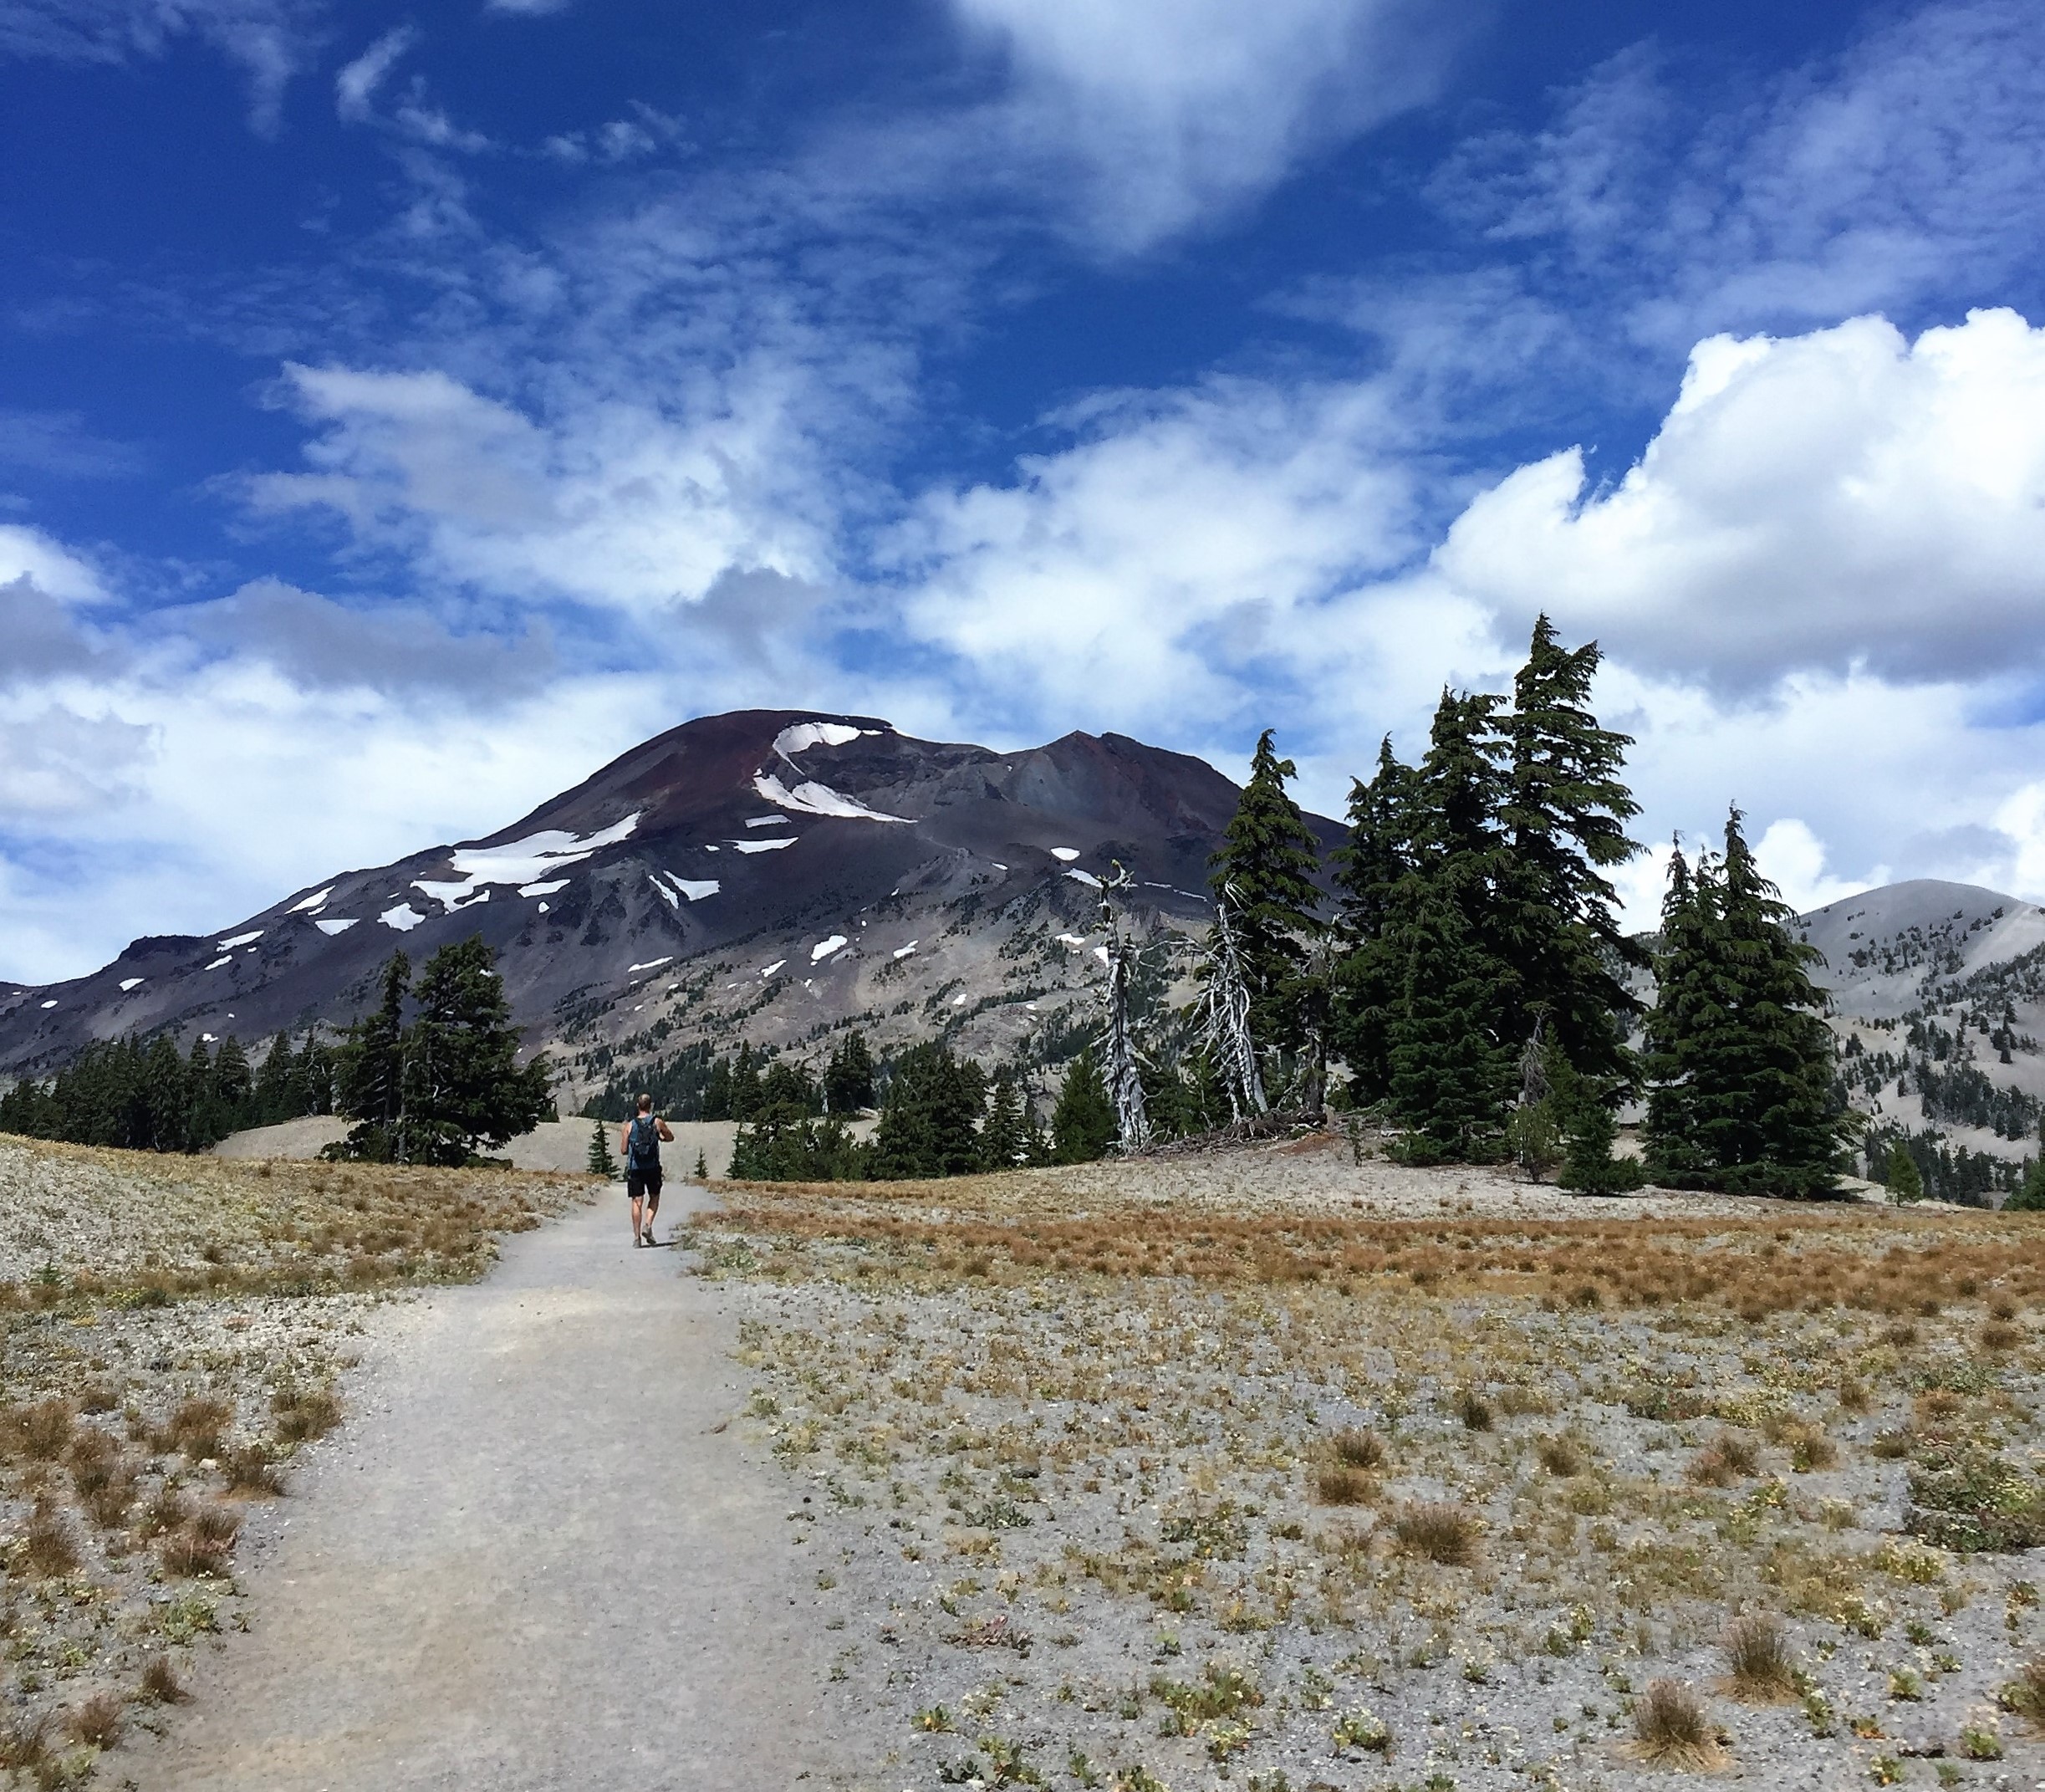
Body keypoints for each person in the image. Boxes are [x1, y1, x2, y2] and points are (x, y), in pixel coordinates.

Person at [618, 1094, 673, 1247]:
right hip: (653, 1167)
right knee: (654, 1196)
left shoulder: (629, 1126)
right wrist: (660, 1138)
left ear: (638, 1106)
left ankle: (637, 1238)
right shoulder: (657, 1122)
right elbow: (671, 1137)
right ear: (650, 1105)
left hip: (635, 1168)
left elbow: (623, 1150)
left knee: (637, 1201)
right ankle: (647, 1225)